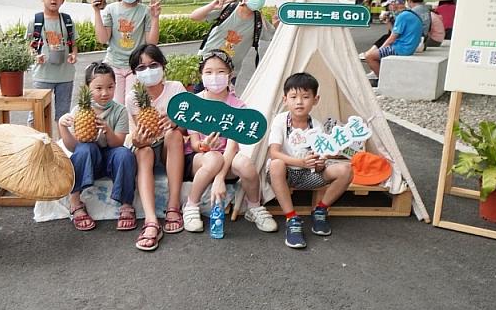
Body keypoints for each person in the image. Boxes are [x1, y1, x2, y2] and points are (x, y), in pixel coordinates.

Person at [182, 49, 277, 233]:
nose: (214, 77)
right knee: (212, 158)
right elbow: (194, 143)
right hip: (200, 160)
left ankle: (254, 207)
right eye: (209, 72)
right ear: (201, 75)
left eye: (220, 72)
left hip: (226, 160)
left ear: (230, 75)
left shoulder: (237, 106)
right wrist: (204, 146)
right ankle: (191, 206)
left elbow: (233, 147)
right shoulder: (194, 104)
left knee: (245, 163)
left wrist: (219, 178)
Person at [267, 72, 354, 248]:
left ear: (315, 99)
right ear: (285, 99)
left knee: (346, 170)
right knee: (276, 164)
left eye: (306, 97)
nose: (299, 102)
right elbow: (274, 153)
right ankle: (291, 218)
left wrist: (320, 162)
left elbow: (319, 156)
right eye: (293, 97)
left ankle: (321, 210)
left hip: (309, 174)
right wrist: (299, 162)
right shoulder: (280, 121)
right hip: (285, 174)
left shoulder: (317, 125)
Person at [58, 62, 137, 232]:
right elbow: (73, 147)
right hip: (89, 160)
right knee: (85, 148)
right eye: (98, 88)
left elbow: (118, 143)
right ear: (87, 88)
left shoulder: (120, 110)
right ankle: (75, 202)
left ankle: (126, 204)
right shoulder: (79, 110)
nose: (105, 93)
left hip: (110, 158)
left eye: (110, 87)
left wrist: (107, 130)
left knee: (125, 154)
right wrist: (62, 127)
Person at [125, 44, 187, 251]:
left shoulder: (176, 88)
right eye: (141, 68)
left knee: (174, 134)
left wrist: (176, 122)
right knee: (143, 151)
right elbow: (135, 136)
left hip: (171, 149)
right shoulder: (132, 98)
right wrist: (139, 141)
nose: (148, 71)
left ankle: (173, 206)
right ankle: (151, 221)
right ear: (134, 74)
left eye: (153, 65)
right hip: (148, 149)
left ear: (163, 66)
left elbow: (189, 127)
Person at [189, 0, 278, 90]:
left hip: (230, 75)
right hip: (206, 70)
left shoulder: (259, 21)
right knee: (199, 104)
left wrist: (277, 26)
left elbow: (274, 37)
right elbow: (194, 16)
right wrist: (212, 6)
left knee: (223, 107)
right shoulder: (228, 9)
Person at [92, 0, 161, 102]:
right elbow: (102, 38)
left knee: (133, 102)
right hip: (114, 64)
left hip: (136, 66)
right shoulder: (111, 10)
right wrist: (96, 12)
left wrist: (155, 18)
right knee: (115, 104)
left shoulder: (145, 11)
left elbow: (152, 43)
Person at [27, 0, 78, 124]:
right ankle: (33, 145)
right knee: (36, 114)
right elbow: (30, 47)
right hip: (43, 75)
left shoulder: (67, 20)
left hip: (65, 75)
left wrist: (73, 55)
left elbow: (73, 43)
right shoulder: (36, 21)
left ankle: (61, 145)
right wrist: (36, 57)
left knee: (63, 116)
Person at [363, 0, 423, 81]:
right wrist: (388, 22)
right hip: (409, 47)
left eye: (389, 5)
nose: (389, 8)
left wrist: (380, 49)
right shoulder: (409, 13)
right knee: (378, 53)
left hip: (402, 48)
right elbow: (394, 32)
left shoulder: (402, 16)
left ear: (395, 4)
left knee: (369, 56)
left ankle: (383, 81)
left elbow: (392, 37)